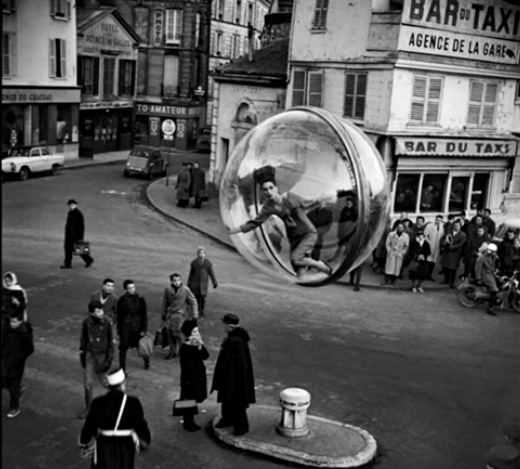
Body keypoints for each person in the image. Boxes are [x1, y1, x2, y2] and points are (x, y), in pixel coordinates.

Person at [227, 165, 333, 278]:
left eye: (271, 188)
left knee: (296, 259)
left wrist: (322, 198)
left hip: (308, 233)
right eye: (265, 189)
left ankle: (321, 266)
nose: (268, 192)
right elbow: (254, 223)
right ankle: (311, 278)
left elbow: (309, 203)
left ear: (276, 187)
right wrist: (233, 230)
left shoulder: (290, 197)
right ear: (262, 192)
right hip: (294, 237)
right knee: (301, 276)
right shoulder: (269, 207)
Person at [79, 368, 151, 469]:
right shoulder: (133, 403)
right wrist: (146, 439)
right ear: (123, 383)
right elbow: (141, 425)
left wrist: (84, 442)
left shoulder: (98, 403)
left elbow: (89, 426)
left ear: (109, 387)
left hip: (104, 445)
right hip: (125, 446)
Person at [211, 313, 255, 437]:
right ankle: (227, 420)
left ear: (229, 326)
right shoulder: (234, 338)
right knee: (228, 400)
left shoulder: (235, 342)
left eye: (224, 324)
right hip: (230, 377)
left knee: (236, 402)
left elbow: (238, 364)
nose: (223, 327)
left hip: (234, 379)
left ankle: (241, 427)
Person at [79, 301, 114, 420]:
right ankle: (88, 409)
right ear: (92, 313)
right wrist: (82, 354)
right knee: (88, 382)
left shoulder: (107, 322)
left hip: (102, 355)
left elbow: (110, 343)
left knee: (104, 381)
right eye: (98, 311)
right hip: (90, 354)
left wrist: (109, 360)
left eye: (102, 310)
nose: (101, 313)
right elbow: (83, 339)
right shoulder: (86, 323)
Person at [178, 320, 209, 432]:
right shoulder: (185, 348)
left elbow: (206, 356)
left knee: (194, 399)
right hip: (189, 378)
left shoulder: (197, 344)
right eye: (194, 331)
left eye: (197, 331)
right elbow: (187, 366)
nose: (197, 333)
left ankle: (191, 421)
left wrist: (200, 346)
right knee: (188, 399)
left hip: (198, 376)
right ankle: (187, 421)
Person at [2, 311, 34, 418]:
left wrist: (19, 358)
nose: (12, 324)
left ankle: (14, 408)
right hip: (7, 360)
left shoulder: (23, 334)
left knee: (13, 387)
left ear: (20, 322)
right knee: (5, 382)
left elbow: (29, 349)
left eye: (14, 322)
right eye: (11, 321)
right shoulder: (7, 331)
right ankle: (18, 392)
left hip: (16, 364)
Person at [162, 273, 198, 359]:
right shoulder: (167, 290)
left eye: (178, 280)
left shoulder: (185, 290)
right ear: (171, 281)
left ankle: (184, 351)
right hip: (170, 314)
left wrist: (195, 315)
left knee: (178, 334)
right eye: (174, 280)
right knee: (169, 333)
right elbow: (165, 302)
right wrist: (163, 314)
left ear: (181, 280)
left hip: (180, 315)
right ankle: (172, 351)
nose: (177, 282)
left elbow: (193, 301)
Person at [116, 280, 149, 372]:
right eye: (130, 288)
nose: (132, 290)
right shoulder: (122, 300)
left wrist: (143, 329)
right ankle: (122, 369)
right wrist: (119, 330)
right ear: (126, 289)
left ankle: (146, 360)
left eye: (133, 287)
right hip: (125, 327)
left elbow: (144, 315)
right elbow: (119, 315)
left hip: (136, 326)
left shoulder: (140, 299)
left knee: (141, 347)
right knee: (122, 349)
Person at [61, 199, 94, 269]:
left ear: (76, 205)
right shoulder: (70, 213)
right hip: (69, 236)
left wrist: (80, 238)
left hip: (75, 236)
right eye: (70, 205)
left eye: (72, 205)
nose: (70, 206)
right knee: (68, 250)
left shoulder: (79, 214)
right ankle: (68, 264)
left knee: (79, 250)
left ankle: (89, 260)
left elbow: (81, 227)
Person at [187, 247, 218, 317]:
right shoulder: (194, 263)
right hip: (195, 284)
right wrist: (189, 282)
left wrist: (214, 282)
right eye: (200, 253)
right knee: (196, 298)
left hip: (204, 285)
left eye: (203, 253)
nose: (201, 255)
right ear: (197, 254)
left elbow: (211, 273)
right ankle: (197, 310)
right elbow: (191, 273)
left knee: (203, 299)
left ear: (205, 254)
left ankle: (202, 310)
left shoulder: (208, 263)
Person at [475, 243, 501, 316]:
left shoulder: (493, 257)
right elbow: (478, 269)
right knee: (494, 289)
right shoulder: (482, 258)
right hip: (485, 275)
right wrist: (478, 278)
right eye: (493, 252)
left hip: (491, 274)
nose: (495, 253)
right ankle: (490, 308)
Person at [2, 272, 29, 339]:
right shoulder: (4, 290)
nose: (7, 283)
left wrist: (17, 303)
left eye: (9, 281)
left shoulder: (19, 291)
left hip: (14, 317)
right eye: (6, 281)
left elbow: (23, 306)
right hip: (5, 316)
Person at [440, 220, 466, 288]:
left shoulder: (462, 235)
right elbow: (442, 239)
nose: (455, 227)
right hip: (446, 252)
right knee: (445, 267)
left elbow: (460, 244)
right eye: (454, 225)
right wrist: (443, 243)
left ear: (460, 226)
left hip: (455, 253)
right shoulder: (449, 232)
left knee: (453, 269)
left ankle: (452, 282)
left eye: (457, 225)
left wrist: (451, 247)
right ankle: (446, 279)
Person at [424, 215, 444, 281]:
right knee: (427, 261)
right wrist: (428, 242)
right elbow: (425, 235)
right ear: (435, 219)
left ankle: (429, 275)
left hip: (437, 247)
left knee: (433, 262)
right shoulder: (429, 226)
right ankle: (424, 274)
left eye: (440, 220)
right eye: (437, 219)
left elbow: (443, 237)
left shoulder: (442, 227)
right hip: (430, 246)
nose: (438, 221)